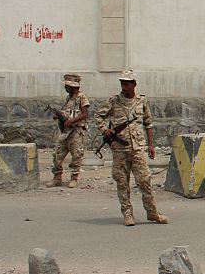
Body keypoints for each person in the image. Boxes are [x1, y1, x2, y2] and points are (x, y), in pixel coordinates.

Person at [94, 70, 169, 226]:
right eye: (122, 83)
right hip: (119, 148)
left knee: (145, 180)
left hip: (137, 148)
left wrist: (151, 145)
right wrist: (104, 129)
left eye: (127, 83)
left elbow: (148, 123)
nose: (124, 86)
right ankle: (128, 214)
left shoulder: (142, 101)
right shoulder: (114, 101)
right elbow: (98, 116)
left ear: (134, 84)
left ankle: (152, 213)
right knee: (122, 182)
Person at [46, 73, 89, 188]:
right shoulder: (68, 98)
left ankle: (74, 178)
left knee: (76, 155)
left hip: (76, 131)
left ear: (74, 87)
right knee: (57, 154)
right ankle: (57, 178)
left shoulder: (81, 97)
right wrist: (58, 116)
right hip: (66, 131)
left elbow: (85, 114)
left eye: (67, 86)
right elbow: (66, 111)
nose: (65, 87)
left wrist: (73, 121)